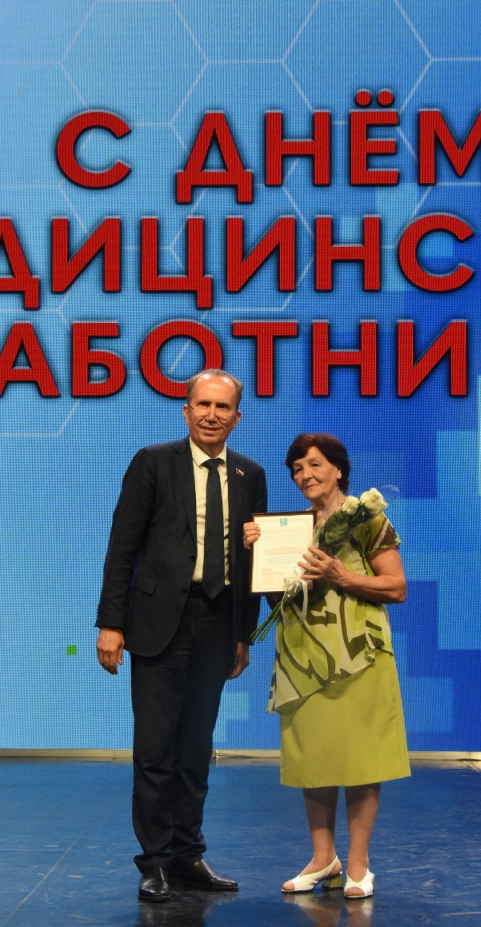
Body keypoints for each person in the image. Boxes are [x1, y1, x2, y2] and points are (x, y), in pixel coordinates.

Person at [95, 369, 268, 903]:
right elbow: (122, 547)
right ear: (186, 410)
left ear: (237, 417)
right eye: (203, 405)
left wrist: (243, 635)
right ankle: (153, 862)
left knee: (196, 749)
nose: (212, 415)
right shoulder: (153, 462)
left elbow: (253, 562)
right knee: (155, 751)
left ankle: (187, 854)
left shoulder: (250, 474)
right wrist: (111, 623)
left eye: (223, 407)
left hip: (218, 625)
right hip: (156, 624)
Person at [243, 433, 409, 901]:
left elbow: (396, 587)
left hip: (360, 655)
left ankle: (357, 863)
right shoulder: (288, 528)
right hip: (302, 657)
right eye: (297, 469)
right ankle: (323, 859)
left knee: (361, 758)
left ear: (338, 469)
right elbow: (277, 599)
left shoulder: (367, 520)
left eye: (314, 465)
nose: (305, 475)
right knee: (313, 759)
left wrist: (342, 575)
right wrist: (256, 553)